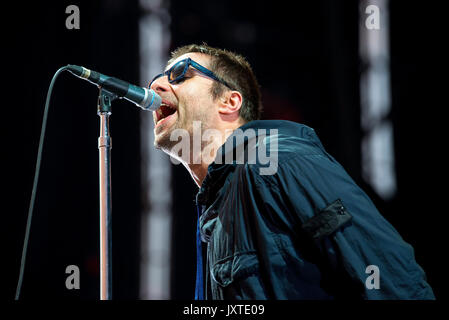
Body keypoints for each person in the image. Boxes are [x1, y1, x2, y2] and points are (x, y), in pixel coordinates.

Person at [149, 43, 435, 300]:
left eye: (180, 75)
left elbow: (391, 277)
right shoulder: (218, 208)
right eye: (157, 79)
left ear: (229, 101)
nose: (157, 86)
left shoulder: (280, 161)